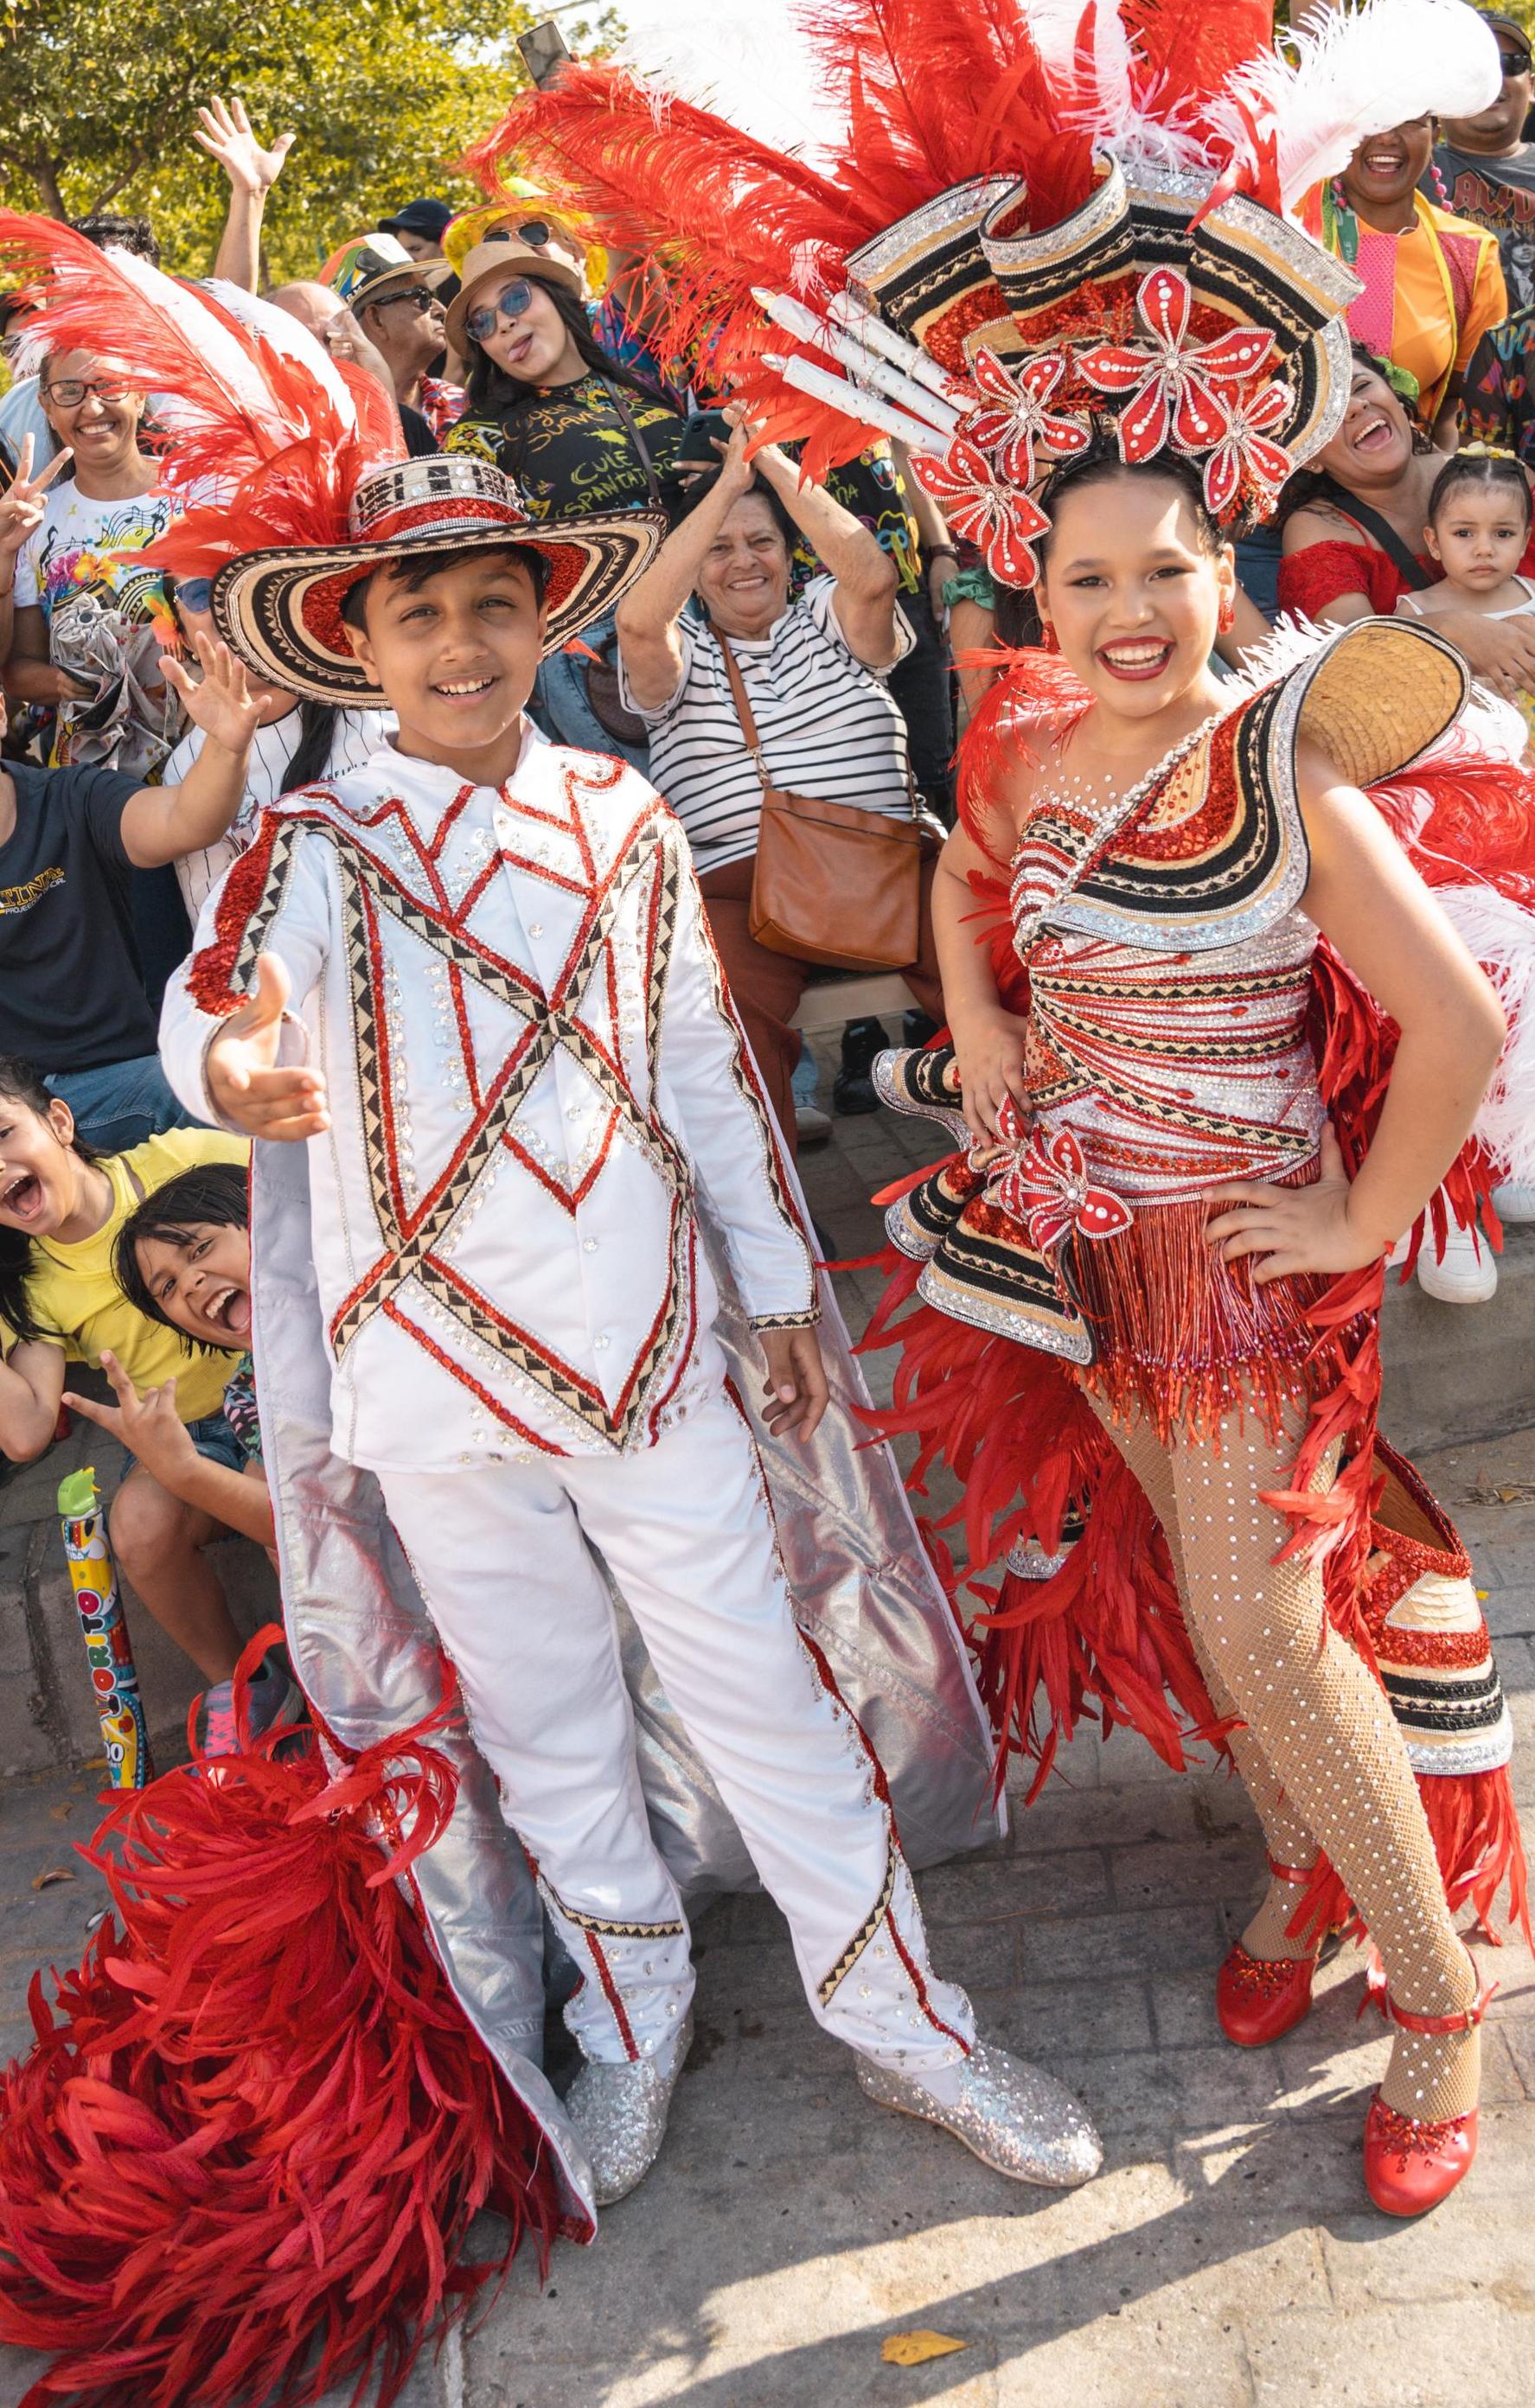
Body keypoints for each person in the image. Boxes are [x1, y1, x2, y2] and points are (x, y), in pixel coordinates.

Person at [521, 0, 1532, 2221]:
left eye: (1165, 570)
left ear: (1226, 565)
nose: (1130, 607)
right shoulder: (1016, 741)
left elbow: (1449, 1017)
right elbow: (972, 882)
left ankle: (1445, 1988)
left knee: (1266, 1612)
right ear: (1034, 588)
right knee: (1197, 1595)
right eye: (1084, 579)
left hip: (1255, 1247)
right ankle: (1296, 1885)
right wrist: (972, 1017)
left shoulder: (1282, 755)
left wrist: (1357, 1214)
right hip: (1088, 1238)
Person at [616, 409, 943, 1152]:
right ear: (690, 564)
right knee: (718, 1028)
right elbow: (637, 626)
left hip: (889, 869)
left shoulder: (825, 615)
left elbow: (870, 574)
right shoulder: (682, 650)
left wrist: (767, 464)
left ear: (791, 553)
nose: (744, 562)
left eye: (762, 541)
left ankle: (1027, 1180)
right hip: (743, 894)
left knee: (989, 964)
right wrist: (724, 488)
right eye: (719, 548)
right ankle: (770, 1231)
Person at [0, 1051, 303, 1756]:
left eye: (3, 1134)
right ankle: (249, 1688)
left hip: (283, 1392)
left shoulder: (183, 1158)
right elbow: (23, 1433)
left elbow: (297, 1209)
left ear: (61, 1120)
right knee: (135, 1524)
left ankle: (340, 1672)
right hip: (190, 1432)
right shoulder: (31, 1289)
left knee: (278, 1514)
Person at [0, 456, 253, 1147]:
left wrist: (227, 746)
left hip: (124, 1083)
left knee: (210, 1085)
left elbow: (184, 821)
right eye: (67, 391)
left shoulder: (68, 799)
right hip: (18, 1118)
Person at [444, 223, 689, 758]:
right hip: (599, 658)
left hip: (710, 622)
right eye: (483, 322)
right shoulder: (477, 435)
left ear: (555, 296)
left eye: (514, 297)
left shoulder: (638, 381)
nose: (504, 321)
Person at [160, 573, 390, 919]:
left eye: (237, 576)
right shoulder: (185, 768)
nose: (226, 601)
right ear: (183, 638)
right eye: (202, 592)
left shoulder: (379, 706)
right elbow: (218, 927)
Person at [1304, 115, 1506, 445]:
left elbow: (1458, 404)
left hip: (1409, 479)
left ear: (1435, 135)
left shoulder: (1470, 254)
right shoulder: (1288, 222)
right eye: (1371, 116)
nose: (1386, 136)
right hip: (1285, 484)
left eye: (1409, 120)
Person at [1432, 12, 1535, 458]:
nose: (1493, 76)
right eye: (1473, 66)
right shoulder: (1403, 163)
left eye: (1509, 64)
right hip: (1438, 412)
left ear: (1531, 83)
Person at [317, 233, 461, 448]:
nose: (441, 309)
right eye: (422, 298)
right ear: (376, 319)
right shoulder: (340, 420)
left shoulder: (461, 403)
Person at [378, 197, 454, 262]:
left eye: (415, 249)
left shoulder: (464, 277)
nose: (406, 260)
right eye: (401, 252)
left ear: (445, 246)